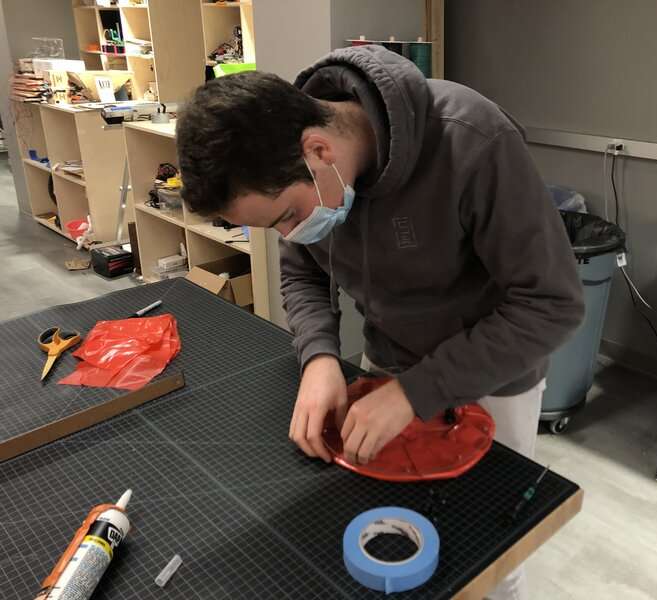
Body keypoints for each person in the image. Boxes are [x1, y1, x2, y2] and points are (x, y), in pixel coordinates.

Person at [177, 45, 584, 599]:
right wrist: (319, 357)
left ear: (317, 149)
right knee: (389, 523)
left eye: (287, 217)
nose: (288, 234)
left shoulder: (471, 138)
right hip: (385, 367)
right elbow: (301, 273)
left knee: (486, 550)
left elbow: (552, 304)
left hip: (491, 381)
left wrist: (415, 392)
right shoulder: (303, 175)